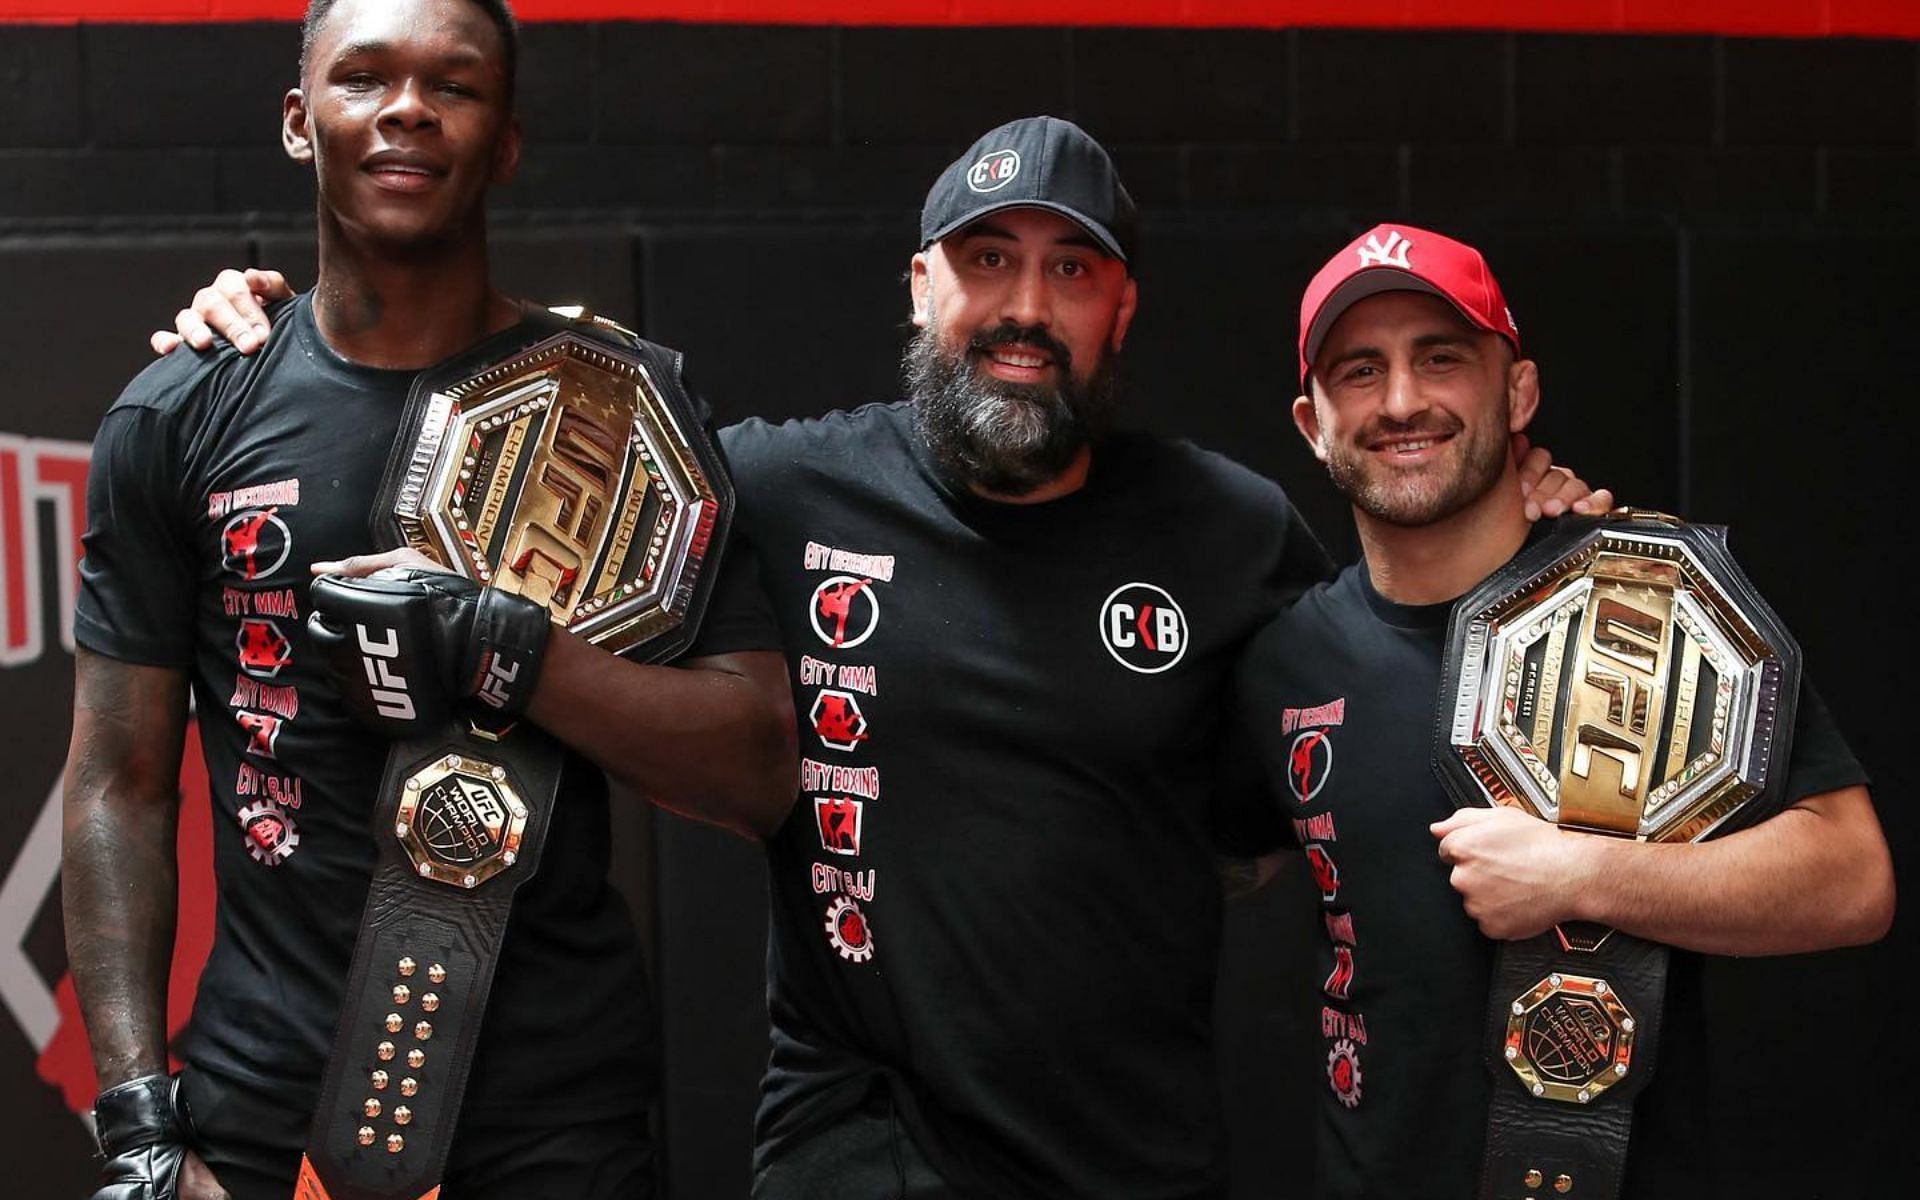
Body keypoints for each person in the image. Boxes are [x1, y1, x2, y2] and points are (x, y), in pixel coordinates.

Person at [157, 119, 1603, 1198]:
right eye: (986, 262)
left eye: (1070, 269)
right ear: (921, 286)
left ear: (1122, 311)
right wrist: (281, 337)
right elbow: (453, 488)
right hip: (855, 1153)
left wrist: (1525, 519)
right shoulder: (775, 491)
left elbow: (1362, 695)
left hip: (1135, 1162)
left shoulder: (1227, 528)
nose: (1024, 307)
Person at [62, 3, 793, 1199]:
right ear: (302, 123)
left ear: (504, 139)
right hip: (263, 1118)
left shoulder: (616, 421)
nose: (407, 107)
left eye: (453, 84)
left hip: (560, 1122)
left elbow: (759, 766)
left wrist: (516, 653)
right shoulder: (181, 415)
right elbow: (114, 786)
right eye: (365, 77)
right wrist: (143, 1121)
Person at [1234, 223, 1895, 1199]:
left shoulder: (1647, 601)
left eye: (1442, 358)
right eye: (1360, 370)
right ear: (1312, 422)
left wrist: (1586, 874)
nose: (1404, 400)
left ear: (1519, 392)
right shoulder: (1282, 661)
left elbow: (1851, 881)